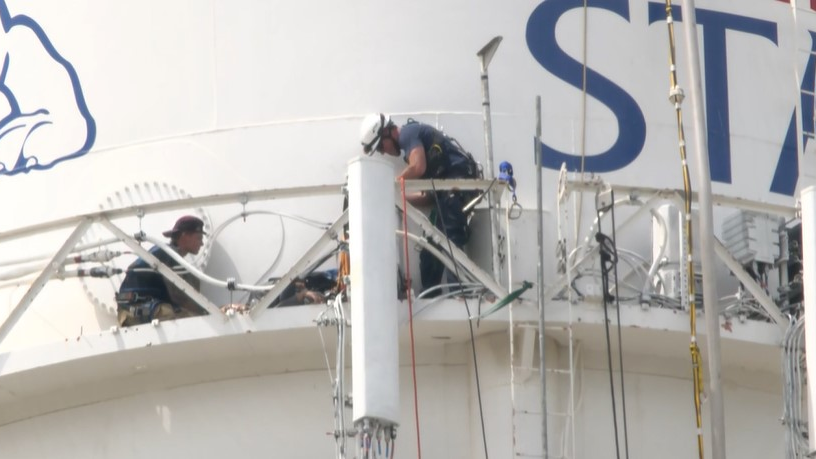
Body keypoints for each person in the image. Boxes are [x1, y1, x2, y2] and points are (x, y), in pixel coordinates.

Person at [359, 113, 481, 294]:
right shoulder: (412, 148)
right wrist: (398, 200)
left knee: (450, 238)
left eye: (380, 147)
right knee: (430, 249)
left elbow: (418, 167)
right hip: (444, 196)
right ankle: (431, 295)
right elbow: (427, 197)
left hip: (456, 188)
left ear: (387, 132)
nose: (383, 152)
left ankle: (460, 293)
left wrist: (390, 184)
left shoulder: (408, 133)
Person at [116, 215, 209, 326]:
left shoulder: (166, 254)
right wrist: (209, 313)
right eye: (199, 238)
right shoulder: (167, 255)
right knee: (194, 322)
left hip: (137, 310)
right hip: (138, 311)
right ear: (184, 236)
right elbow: (181, 297)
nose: (202, 243)